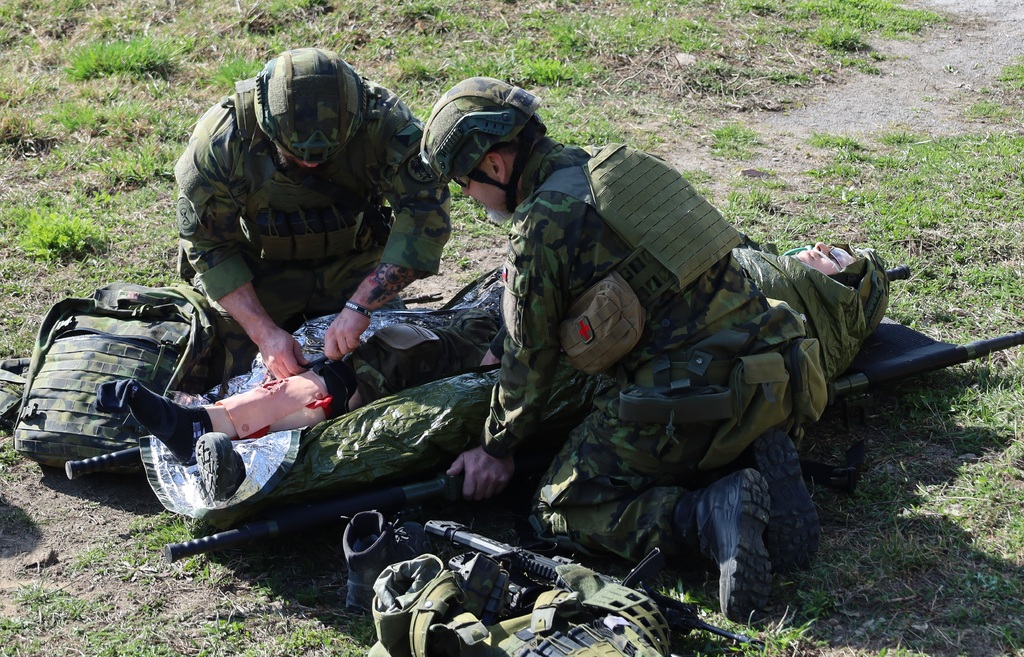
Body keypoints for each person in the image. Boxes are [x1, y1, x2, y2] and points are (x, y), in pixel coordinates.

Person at [418, 78, 831, 623]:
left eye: (465, 185)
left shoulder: (542, 224)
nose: (471, 200)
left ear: (495, 166)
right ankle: (755, 455)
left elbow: (531, 361)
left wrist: (495, 449)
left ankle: (705, 515)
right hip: (779, 369)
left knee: (558, 507)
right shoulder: (623, 167)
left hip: (696, 397)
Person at [174, 47, 451, 386]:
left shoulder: (385, 122)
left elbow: (424, 214)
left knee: (401, 363)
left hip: (352, 266)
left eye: (328, 155)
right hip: (257, 276)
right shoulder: (224, 140)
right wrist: (264, 333)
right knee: (220, 375)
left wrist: (361, 307)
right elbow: (207, 244)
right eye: (295, 153)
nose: (311, 164)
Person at [97, 309, 500, 503]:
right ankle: (206, 425)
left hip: (527, 355)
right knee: (388, 353)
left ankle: (205, 425)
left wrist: (491, 402)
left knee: (388, 360)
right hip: (490, 325)